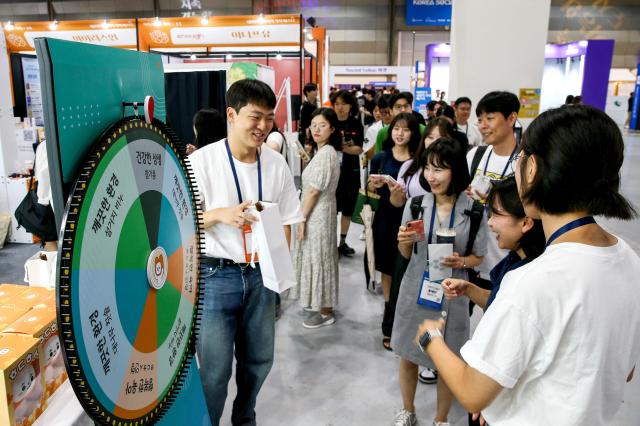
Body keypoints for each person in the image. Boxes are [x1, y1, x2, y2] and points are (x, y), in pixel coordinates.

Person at [415, 105, 640, 426]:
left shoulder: (533, 281)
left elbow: (472, 391)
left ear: (532, 169)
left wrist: (430, 339)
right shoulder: (629, 259)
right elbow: (625, 370)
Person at [191, 79, 303, 426]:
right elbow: (180, 221)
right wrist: (219, 214)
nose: (263, 126)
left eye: (269, 118)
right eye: (255, 117)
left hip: (261, 277)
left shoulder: (275, 164)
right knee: (213, 371)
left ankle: (245, 416)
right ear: (231, 114)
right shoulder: (202, 162)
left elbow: (287, 219)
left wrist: (279, 270)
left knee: (259, 361)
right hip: (215, 276)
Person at [392, 138, 488, 426]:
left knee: (449, 360)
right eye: (427, 168)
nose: (431, 176)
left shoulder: (474, 211)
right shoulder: (417, 204)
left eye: (439, 170)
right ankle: (407, 410)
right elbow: (406, 253)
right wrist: (403, 242)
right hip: (416, 289)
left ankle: (441, 419)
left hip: (453, 292)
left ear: (456, 171)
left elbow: (478, 257)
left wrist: (462, 262)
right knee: (409, 354)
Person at [368, 112, 421, 350]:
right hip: (385, 219)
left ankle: (403, 316)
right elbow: (369, 190)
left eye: (405, 129)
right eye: (396, 128)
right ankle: (389, 318)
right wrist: (374, 184)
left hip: (409, 220)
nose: (400, 133)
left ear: (413, 133)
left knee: (408, 268)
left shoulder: (418, 161)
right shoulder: (380, 157)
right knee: (387, 269)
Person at [466, 91, 521, 309]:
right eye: (480, 120)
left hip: (507, 262)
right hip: (473, 260)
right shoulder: (475, 156)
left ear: (511, 118)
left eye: (490, 118)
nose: (482, 125)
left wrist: (492, 202)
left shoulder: (525, 161)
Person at [291, 108, 342, 328]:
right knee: (319, 255)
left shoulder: (327, 153)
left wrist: (302, 218)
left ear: (332, 128)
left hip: (318, 212)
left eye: (322, 125)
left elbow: (313, 191)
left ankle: (325, 311)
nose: (317, 129)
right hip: (319, 210)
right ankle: (322, 306)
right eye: (313, 125)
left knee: (319, 256)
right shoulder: (322, 152)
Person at [331, 90, 364, 256]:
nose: (340, 107)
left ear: (351, 105)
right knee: (331, 208)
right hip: (332, 173)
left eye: (343, 104)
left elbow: (358, 149)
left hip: (351, 172)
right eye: (336, 104)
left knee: (348, 209)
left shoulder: (356, 124)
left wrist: (341, 147)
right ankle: (330, 243)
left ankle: (342, 242)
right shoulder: (329, 122)